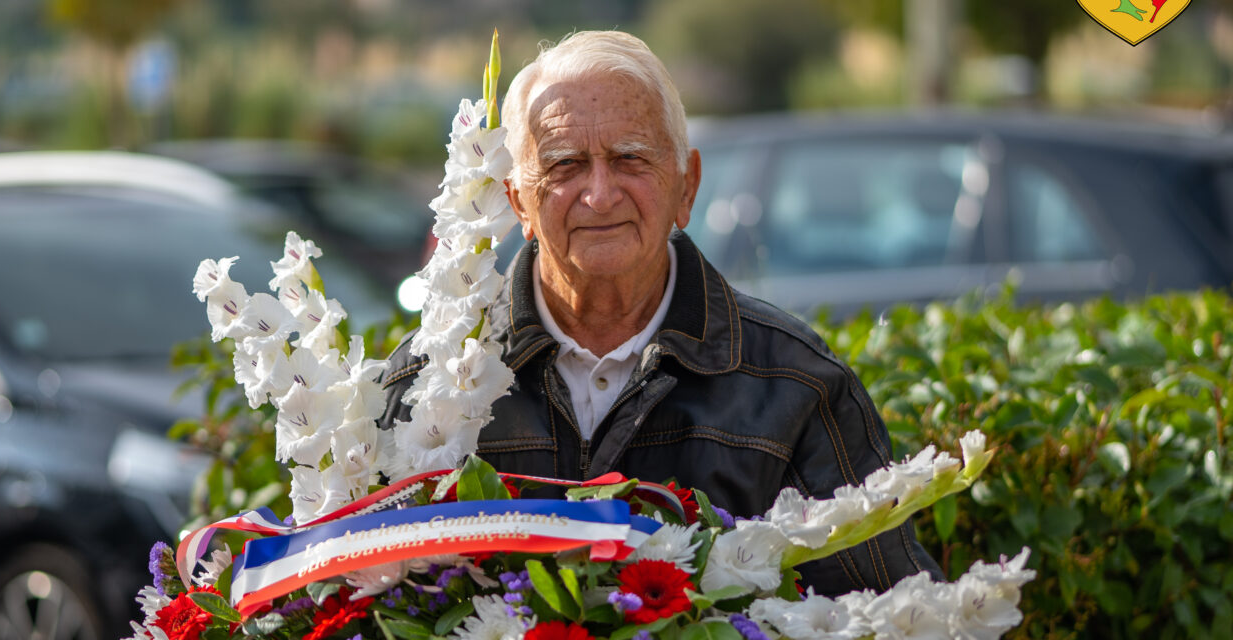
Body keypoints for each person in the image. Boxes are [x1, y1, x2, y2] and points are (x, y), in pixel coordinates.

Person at [378, 30, 943, 596]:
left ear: (686, 186)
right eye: (565, 164)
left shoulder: (796, 385)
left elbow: (886, 612)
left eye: (630, 159)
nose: (600, 195)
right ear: (519, 201)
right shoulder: (429, 383)